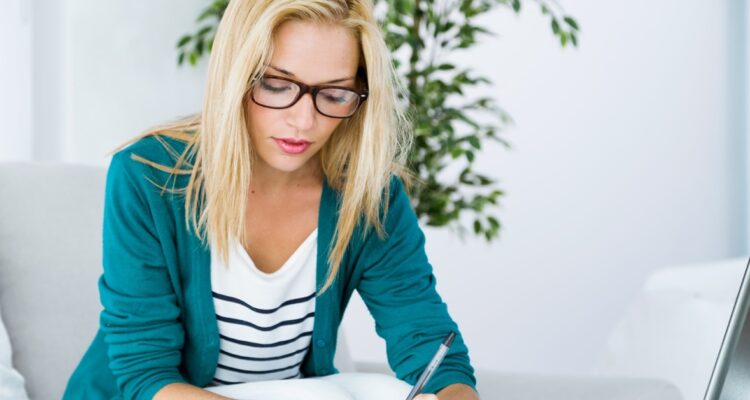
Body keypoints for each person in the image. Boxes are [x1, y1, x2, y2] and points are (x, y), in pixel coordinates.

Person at [63, 0, 478, 399]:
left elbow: (429, 344)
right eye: (276, 85)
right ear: (236, 75)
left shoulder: (370, 196)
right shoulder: (147, 175)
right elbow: (145, 373)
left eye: (335, 95)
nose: (303, 121)